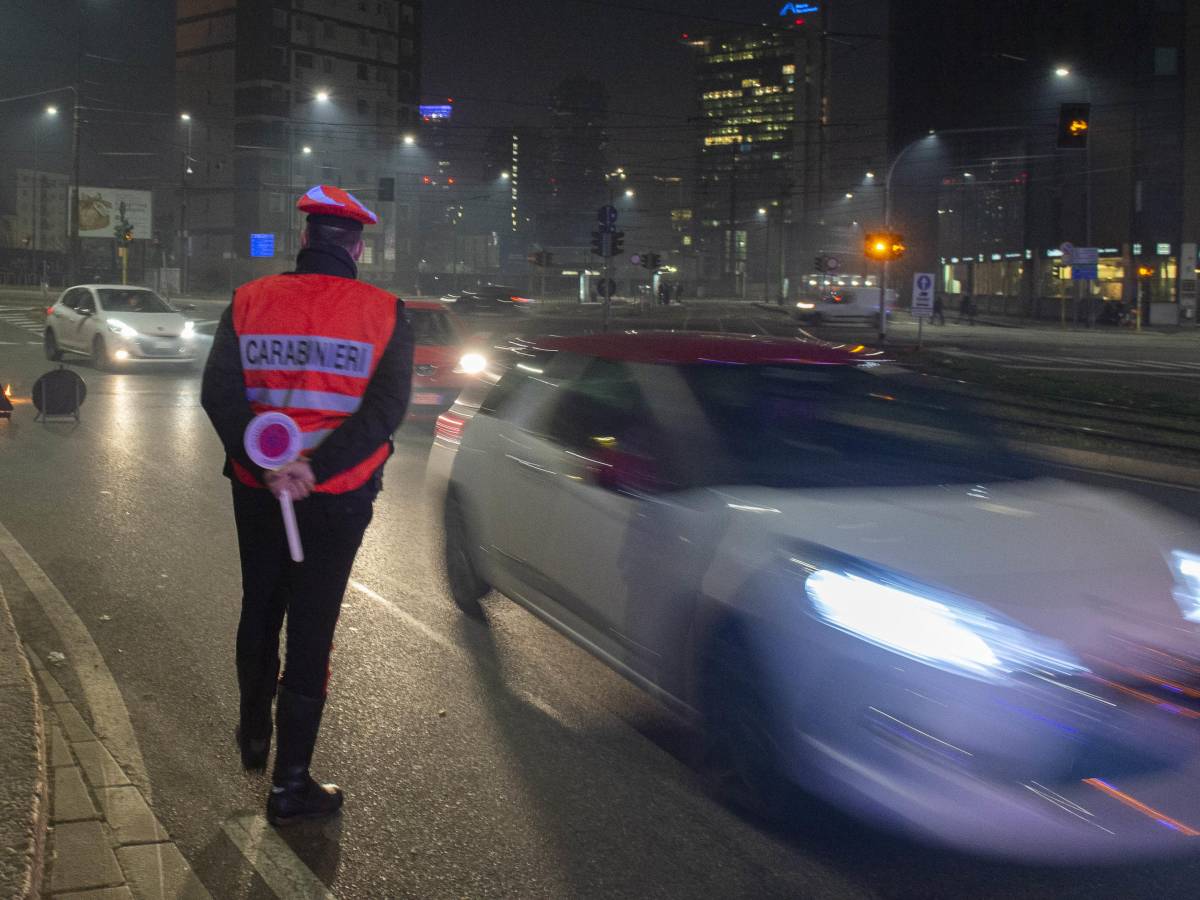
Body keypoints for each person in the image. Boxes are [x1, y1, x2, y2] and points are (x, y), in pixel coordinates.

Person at [201, 185, 414, 826]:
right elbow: (383, 413)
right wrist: (312, 469)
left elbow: (219, 394)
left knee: (260, 602)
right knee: (312, 625)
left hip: (257, 489)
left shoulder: (248, 300)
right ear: (356, 247)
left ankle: (252, 730)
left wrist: (269, 465)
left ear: (304, 240)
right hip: (336, 497)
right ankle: (290, 785)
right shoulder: (386, 312)